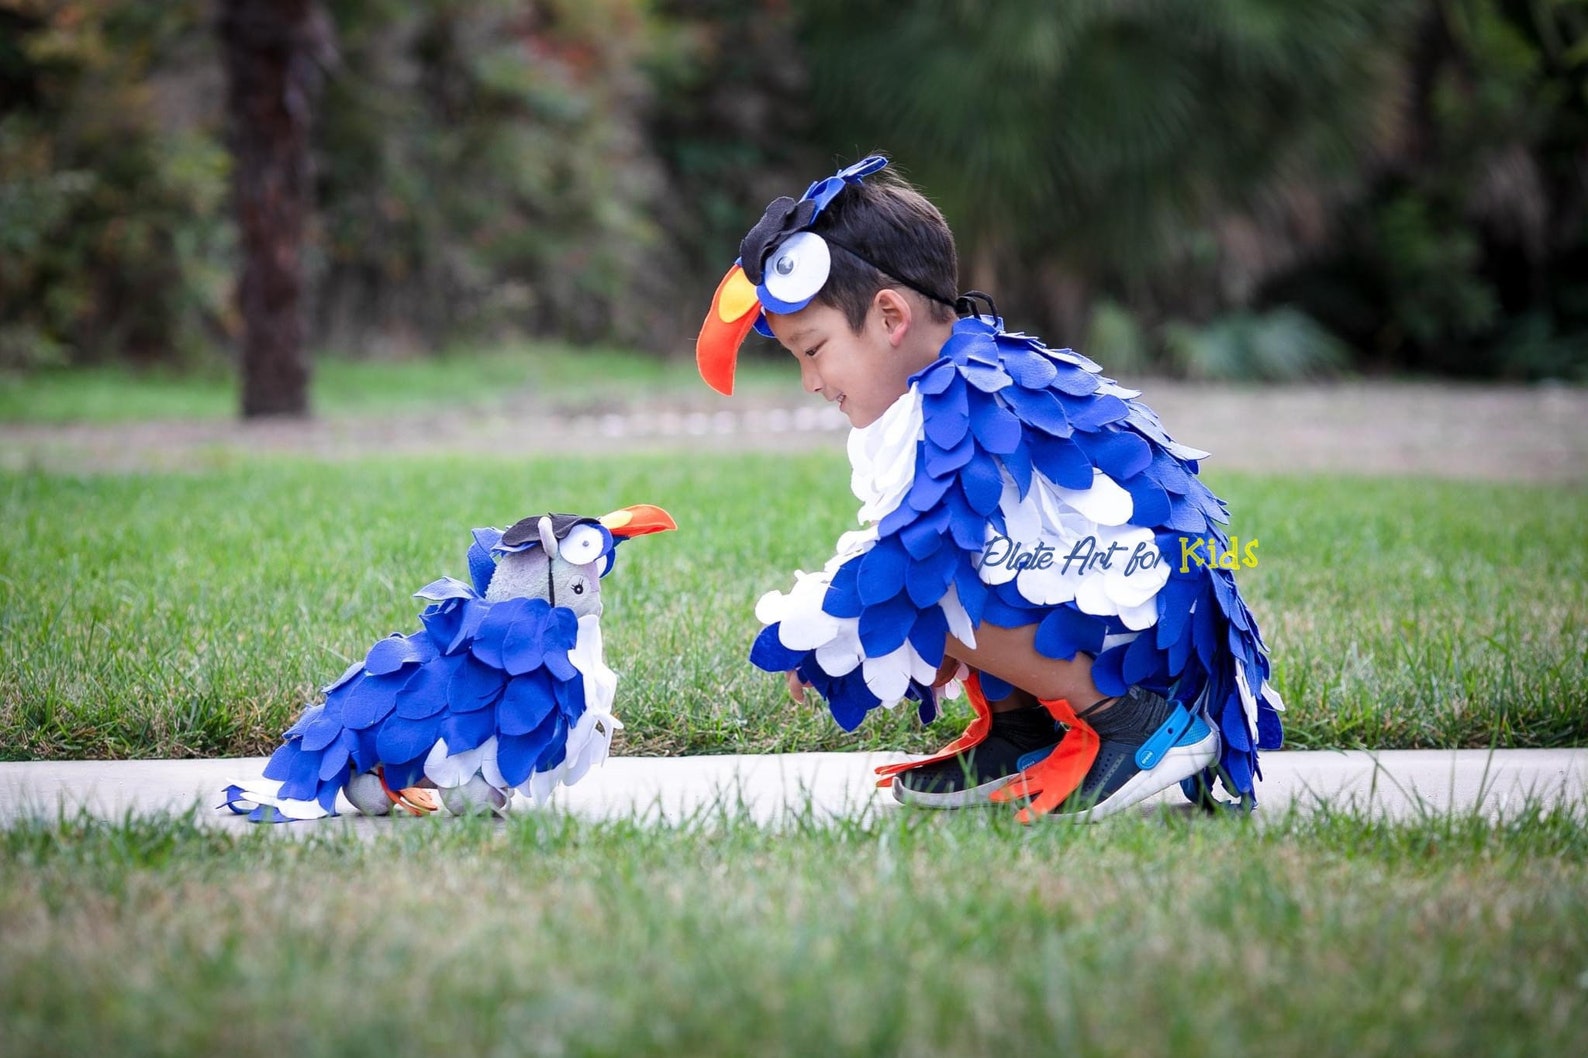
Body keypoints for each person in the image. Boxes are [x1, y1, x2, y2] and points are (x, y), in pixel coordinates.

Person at [696, 155, 1283, 821]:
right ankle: (1023, 734)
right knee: (942, 562)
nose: (810, 380)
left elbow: (920, 557)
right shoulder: (952, 374)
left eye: (814, 349)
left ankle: (1134, 721)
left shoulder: (961, 390)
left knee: (932, 572)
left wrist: (822, 625)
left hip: (1149, 601)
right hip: (1122, 586)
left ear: (889, 318)